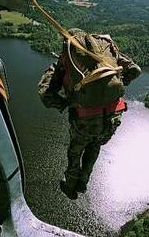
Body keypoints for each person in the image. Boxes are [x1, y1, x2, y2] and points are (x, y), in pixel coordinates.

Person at [38, 28, 141, 199]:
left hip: (86, 119)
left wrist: (67, 102)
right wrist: (119, 82)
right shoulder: (106, 46)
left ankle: (70, 185)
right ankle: (83, 181)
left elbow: (45, 94)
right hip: (113, 115)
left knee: (75, 153)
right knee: (95, 145)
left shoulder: (68, 55)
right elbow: (135, 70)